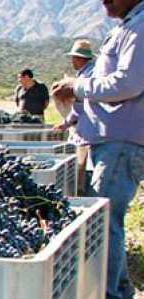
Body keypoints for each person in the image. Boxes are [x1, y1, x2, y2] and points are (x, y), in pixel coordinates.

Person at [51, 0, 144, 299]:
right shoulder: (129, 25)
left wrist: (79, 86)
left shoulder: (139, 27)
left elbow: (128, 83)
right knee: (108, 227)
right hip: (113, 144)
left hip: (120, 145)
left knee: (104, 229)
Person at [52, 39, 95, 196]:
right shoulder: (89, 72)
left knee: (84, 169)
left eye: (73, 58)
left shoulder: (85, 77)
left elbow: (80, 105)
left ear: (77, 59)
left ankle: (85, 195)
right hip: (92, 129)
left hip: (88, 130)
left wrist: (66, 122)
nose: (72, 61)